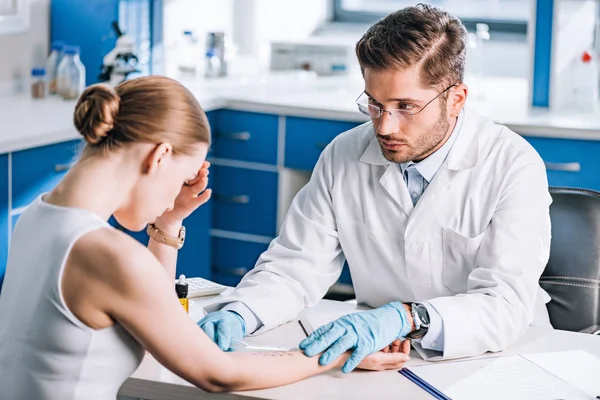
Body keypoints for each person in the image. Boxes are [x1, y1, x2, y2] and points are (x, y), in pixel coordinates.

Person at [0, 76, 410, 400]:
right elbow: (217, 372)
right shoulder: (108, 254)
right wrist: (335, 354)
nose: (174, 192)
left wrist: (171, 217)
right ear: (158, 156)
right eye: (180, 177)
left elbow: (148, 307)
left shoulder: (38, 216)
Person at [198, 3, 553, 373]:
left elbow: (505, 305)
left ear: (455, 99)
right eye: (374, 103)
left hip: (497, 359)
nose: (384, 128)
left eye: (405, 106)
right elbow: (295, 265)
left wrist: (407, 316)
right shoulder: (343, 154)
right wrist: (242, 312)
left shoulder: (512, 164)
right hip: (378, 354)